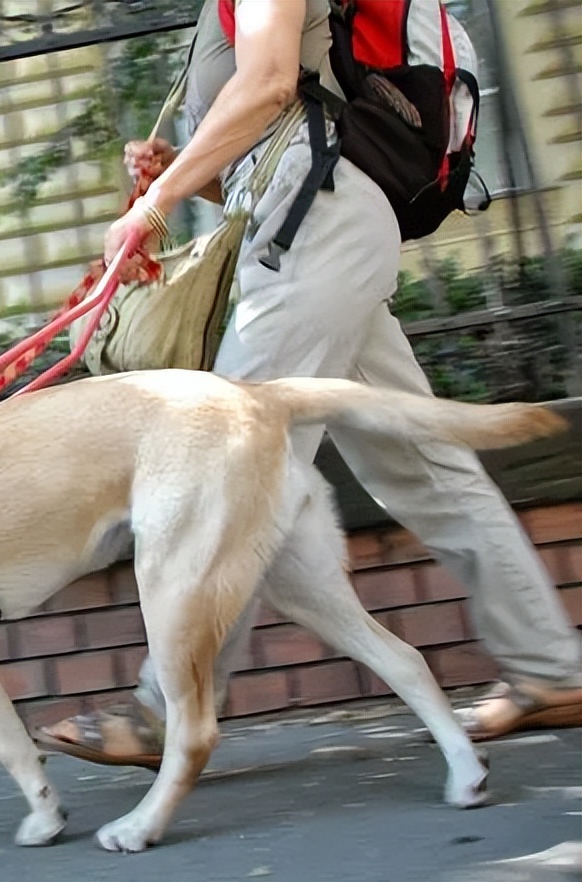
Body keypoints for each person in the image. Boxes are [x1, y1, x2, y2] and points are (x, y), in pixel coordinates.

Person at [33, 0, 582, 770]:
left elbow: (267, 85)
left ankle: (167, 712)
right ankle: (552, 669)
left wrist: (153, 206)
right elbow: (267, 144)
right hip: (315, 223)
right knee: (421, 459)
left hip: (320, 221)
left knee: (224, 455)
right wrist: (185, 180)